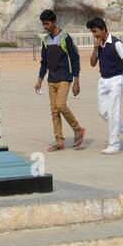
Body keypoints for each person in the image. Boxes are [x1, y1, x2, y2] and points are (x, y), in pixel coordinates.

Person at [35, 9, 85, 151]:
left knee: (60, 105)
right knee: (54, 111)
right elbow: (44, 62)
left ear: (54, 21)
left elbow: (75, 59)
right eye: (43, 24)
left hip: (65, 77)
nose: (45, 27)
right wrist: (39, 80)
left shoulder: (65, 37)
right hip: (51, 79)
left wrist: (76, 81)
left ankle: (78, 129)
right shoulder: (45, 40)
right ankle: (59, 141)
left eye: (47, 24)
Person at [87, 17, 123, 155]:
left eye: (95, 31)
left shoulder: (116, 43)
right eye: (92, 32)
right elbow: (92, 63)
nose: (94, 35)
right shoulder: (98, 44)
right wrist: (95, 49)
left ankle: (114, 144)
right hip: (103, 80)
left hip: (116, 79)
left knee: (113, 112)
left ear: (103, 29)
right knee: (102, 112)